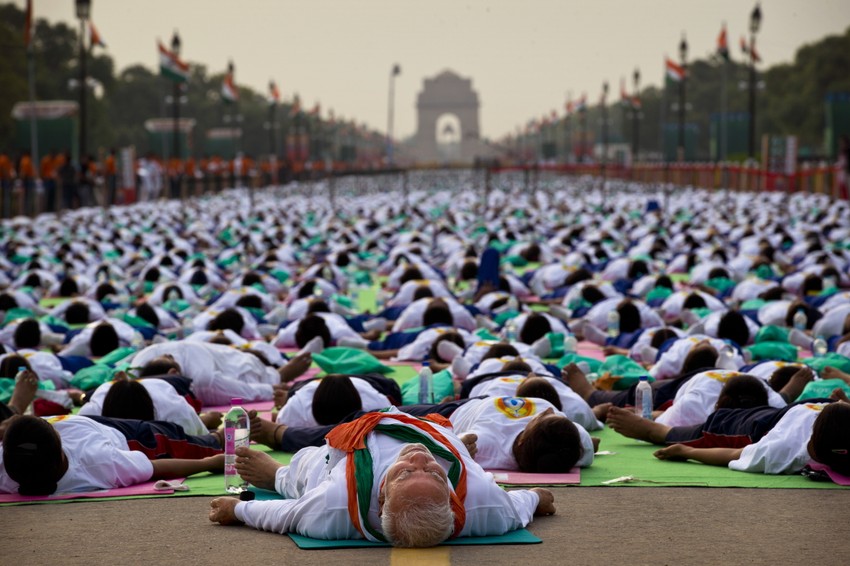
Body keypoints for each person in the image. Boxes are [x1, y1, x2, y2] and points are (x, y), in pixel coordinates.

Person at [208, 408, 555, 547]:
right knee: (448, 447)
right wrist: (539, 497)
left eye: (406, 473)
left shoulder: (335, 508)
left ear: (382, 497)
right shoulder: (485, 504)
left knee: (302, 471)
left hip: (343, 455)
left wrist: (236, 510)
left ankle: (280, 474)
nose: (419, 458)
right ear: (453, 498)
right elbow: (519, 504)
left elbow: (285, 514)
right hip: (429, 430)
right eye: (435, 474)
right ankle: (455, 450)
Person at [1, 413, 224, 495]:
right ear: (61, 451)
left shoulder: (7, 468)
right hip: (124, 434)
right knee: (176, 438)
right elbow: (157, 466)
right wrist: (210, 462)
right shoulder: (99, 462)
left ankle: (201, 420)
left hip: (83, 420)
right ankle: (215, 434)